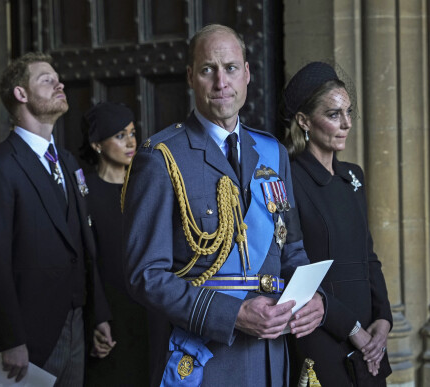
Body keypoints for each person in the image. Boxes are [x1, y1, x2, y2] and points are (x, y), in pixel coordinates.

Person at [122, 24, 325, 387]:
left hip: (270, 357)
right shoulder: (162, 157)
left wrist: (315, 299)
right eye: (207, 70)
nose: (221, 82)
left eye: (230, 68)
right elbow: (146, 276)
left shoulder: (272, 152)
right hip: (206, 361)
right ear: (190, 77)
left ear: (247, 74)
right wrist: (232, 315)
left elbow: (291, 249)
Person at [0, 52, 114, 386]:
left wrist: (98, 314)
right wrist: (10, 337)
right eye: (46, 79)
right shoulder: (2, 166)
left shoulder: (67, 161)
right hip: (30, 334)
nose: (59, 83)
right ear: (21, 94)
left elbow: (85, 245)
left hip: (77, 322)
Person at [282, 61, 393, 387]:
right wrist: (351, 328)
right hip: (321, 332)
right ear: (304, 121)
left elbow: (368, 256)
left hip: (369, 338)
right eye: (333, 115)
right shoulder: (287, 178)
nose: (346, 124)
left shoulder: (352, 177)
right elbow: (290, 269)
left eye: (348, 112)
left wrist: (383, 319)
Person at [79, 102, 150, 386]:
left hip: (147, 310)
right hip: (106, 313)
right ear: (97, 144)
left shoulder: (145, 187)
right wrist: (97, 317)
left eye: (132, 133)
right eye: (120, 135)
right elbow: (87, 260)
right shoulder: (84, 192)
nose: (131, 142)